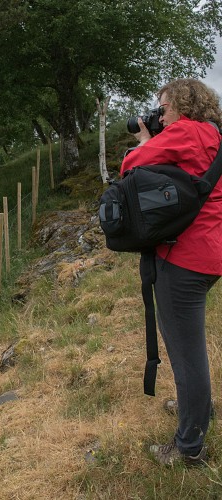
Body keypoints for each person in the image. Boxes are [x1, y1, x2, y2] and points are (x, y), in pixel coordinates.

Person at [123, 78, 222, 467]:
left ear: (181, 105)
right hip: (210, 251)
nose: (159, 114)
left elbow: (130, 164)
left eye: (163, 108)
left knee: (185, 353)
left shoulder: (185, 132)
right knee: (190, 347)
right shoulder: (214, 133)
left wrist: (148, 140)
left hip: (185, 257)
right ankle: (197, 410)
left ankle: (188, 447)